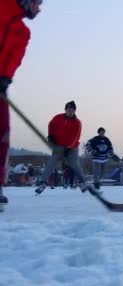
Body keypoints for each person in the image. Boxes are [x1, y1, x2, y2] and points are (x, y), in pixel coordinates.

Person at [0, 0, 42, 209]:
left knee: (2, 134)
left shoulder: (22, 32)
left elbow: (14, 59)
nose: (39, 8)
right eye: (38, 2)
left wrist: (5, 78)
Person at [35, 101, 88, 195]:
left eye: (72, 110)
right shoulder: (57, 117)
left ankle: (82, 181)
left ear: (75, 111)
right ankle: (43, 182)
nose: (70, 111)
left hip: (72, 148)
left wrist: (69, 148)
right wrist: (50, 136)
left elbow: (76, 137)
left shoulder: (77, 122)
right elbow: (51, 125)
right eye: (68, 109)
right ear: (65, 110)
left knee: (74, 164)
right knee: (51, 163)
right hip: (59, 146)